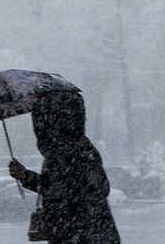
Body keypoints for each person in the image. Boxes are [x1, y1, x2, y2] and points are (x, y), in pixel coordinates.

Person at [8, 91, 121, 244]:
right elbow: (56, 187)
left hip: (81, 237)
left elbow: (66, 193)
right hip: (90, 235)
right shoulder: (74, 150)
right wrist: (24, 176)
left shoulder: (69, 152)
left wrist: (58, 222)